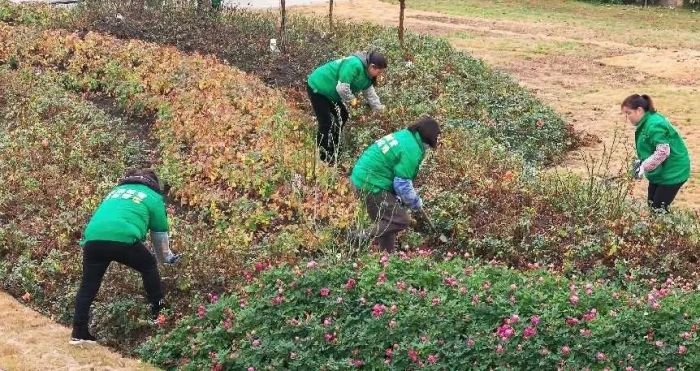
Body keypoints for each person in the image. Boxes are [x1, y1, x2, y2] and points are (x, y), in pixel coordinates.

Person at [70, 169, 179, 345]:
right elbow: (159, 234)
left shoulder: (115, 192)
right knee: (149, 265)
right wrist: (166, 258)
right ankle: (157, 312)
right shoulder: (153, 197)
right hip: (123, 238)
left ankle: (78, 332)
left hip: (93, 239)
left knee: (88, 286)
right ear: (153, 183)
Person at [350, 117, 441, 252]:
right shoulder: (412, 149)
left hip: (361, 178)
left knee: (387, 224)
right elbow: (402, 184)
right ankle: (357, 236)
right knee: (401, 220)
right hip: (371, 184)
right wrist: (415, 202)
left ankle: (387, 261)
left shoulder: (405, 136)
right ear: (429, 138)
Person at [307, 51, 388, 164]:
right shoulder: (354, 64)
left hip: (331, 93)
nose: (379, 74)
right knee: (326, 122)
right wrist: (353, 101)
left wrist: (380, 110)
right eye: (379, 71)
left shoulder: (368, 76)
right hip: (318, 86)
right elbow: (342, 88)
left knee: (343, 115)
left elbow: (370, 94)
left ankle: (333, 147)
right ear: (372, 66)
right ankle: (322, 155)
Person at [623, 94, 690, 212]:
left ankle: (668, 230)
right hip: (661, 172)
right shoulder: (646, 122)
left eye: (629, 113)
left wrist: (643, 166)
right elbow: (649, 148)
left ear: (639, 110)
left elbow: (663, 151)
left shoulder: (654, 124)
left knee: (658, 210)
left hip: (673, 172)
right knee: (652, 205)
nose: (627, 117)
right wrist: (640, 163)